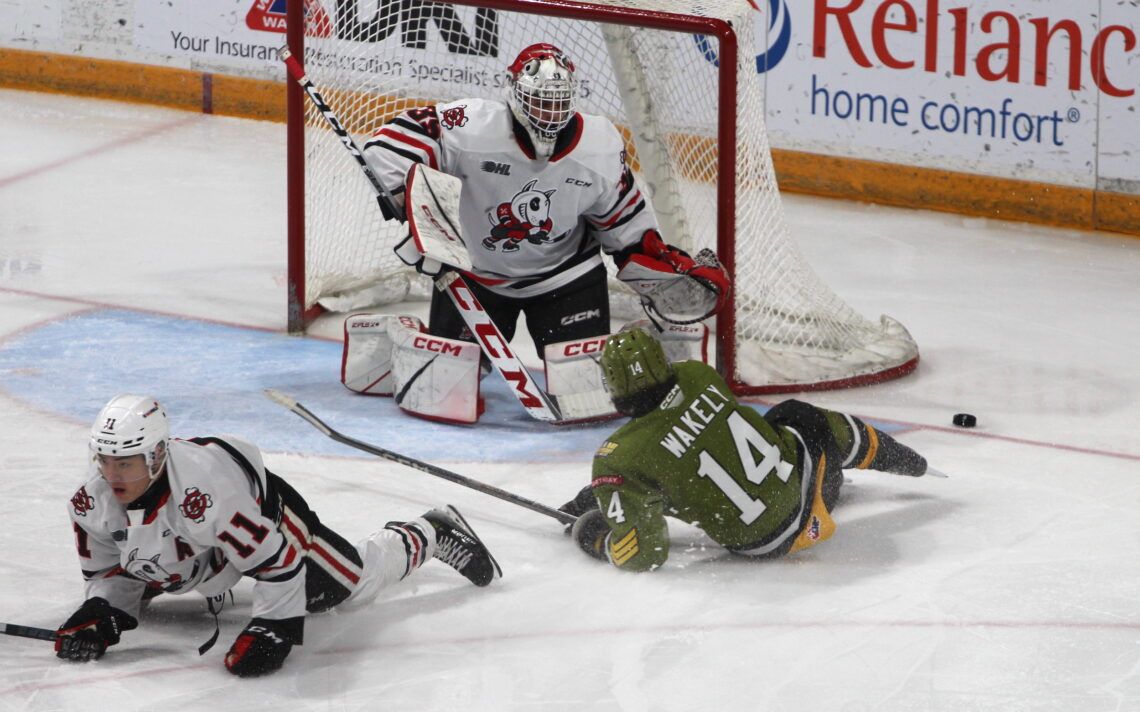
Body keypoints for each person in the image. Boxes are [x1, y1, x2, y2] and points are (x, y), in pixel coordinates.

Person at [58, 394, 501, 677]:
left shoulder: (209, 495)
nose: (112, 474)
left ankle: (429, 532)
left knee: (344, 588)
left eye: (126, 463)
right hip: (193, 538)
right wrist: (103, 610)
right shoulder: (90, 498)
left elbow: (277, 562)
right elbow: (108, 566)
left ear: (157, 456)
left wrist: (273, 626)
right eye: (105, 460)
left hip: (264, 507)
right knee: (147, 574)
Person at [362, 42, 730, 358]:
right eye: (538, 101)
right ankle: (409, 336)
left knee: (587, 387)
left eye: (557, 102)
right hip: (475, 278)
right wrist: (419, 215)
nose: (548, 113)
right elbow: (387, 147)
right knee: (446, 384)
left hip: (566, 279)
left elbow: (625, 224)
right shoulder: (470, 126)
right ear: (514, 92)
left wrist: (653, 260)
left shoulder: (599, 147)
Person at [560, 329, 940, 571]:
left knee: (659, 481)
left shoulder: (619, 459)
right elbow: (696, 440)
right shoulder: (698, 375)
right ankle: (906, 460)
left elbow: (645, 554)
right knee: (797, 415)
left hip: (762, 543)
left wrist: (597, 539)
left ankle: (896, 460)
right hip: (810, 494)